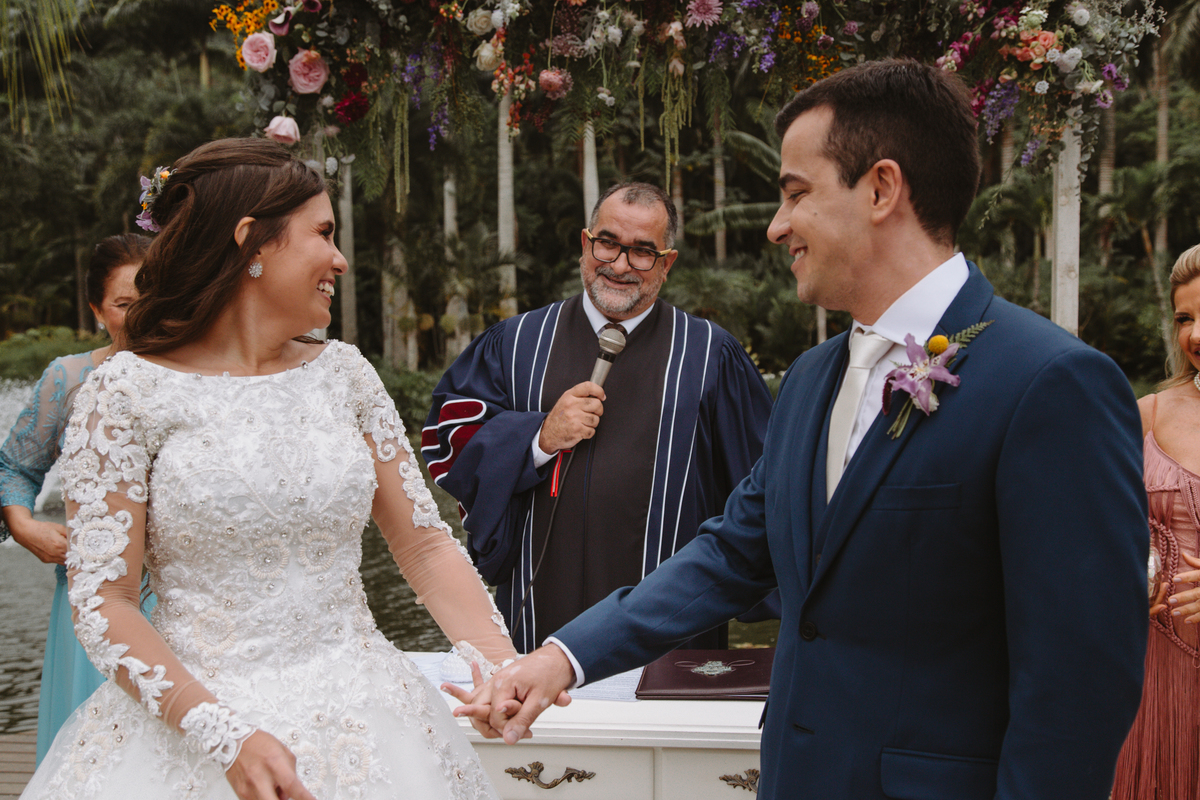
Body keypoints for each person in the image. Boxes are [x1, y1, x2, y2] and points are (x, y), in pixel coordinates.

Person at [450, 59, 1150, 800]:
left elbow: (1078, 690)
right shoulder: (812, 378)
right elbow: (732, 551)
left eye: (795, 193)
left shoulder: (1052, 385)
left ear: (881, 189)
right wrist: (561, 658)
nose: (777, 225)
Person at [21, 138, 519, 800]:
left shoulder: (346, 375)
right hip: (194, 729)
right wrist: (222, 734)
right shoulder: (125, 393)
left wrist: (501, 665)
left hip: (369, 718)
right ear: (251, 241)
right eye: (324, 233)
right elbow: (104, 601)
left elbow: (424, 546)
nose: (340, 259)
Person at [422, 181, 774, 652]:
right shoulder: (517, 344)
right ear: (586, 244)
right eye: (607, 243)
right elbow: (449, 442)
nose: (620, 265)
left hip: (670, 629)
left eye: (642, 251)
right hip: (536, 619)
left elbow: (764, 492)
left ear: (667, 263)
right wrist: (538, 437)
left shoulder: (710, 356)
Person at [0, 233, 148, 765]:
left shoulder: (204, 376)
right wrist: (23, 526)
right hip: (93, 597)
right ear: (96, 310)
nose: (142, 315)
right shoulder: (67, 379)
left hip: (186, 599)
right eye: (124, 304)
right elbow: (14, 467)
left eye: (155, 297)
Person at [1112, 243, 1200, 799]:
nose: (1195, 335)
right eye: (1184, 318)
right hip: (1154, 671)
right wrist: (1129, 572)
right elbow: (1097, 530)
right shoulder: (1146, 413)